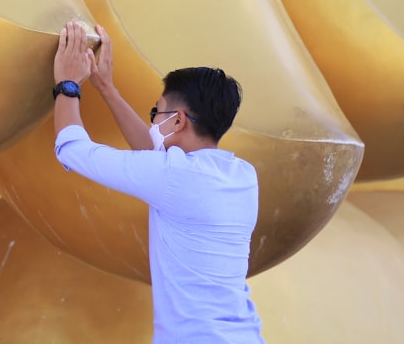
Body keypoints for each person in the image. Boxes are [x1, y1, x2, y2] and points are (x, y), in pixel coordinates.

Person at [52, 21, 265, 343]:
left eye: (157, 112)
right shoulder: (242, 176)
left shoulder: (174, 177)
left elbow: (73, 150)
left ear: (178, 120)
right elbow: (155, 156)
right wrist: (107, 89)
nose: (153, 120)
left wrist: (67, 83)